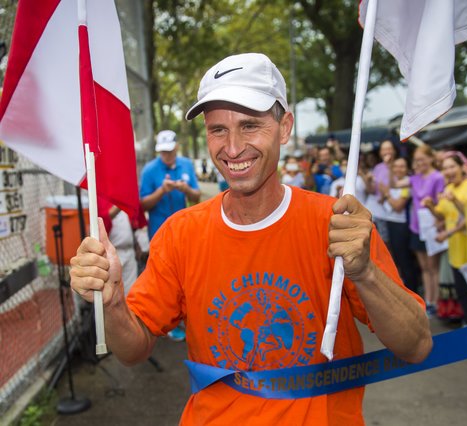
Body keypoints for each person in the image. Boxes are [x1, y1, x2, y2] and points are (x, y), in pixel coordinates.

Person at [70, 52, 431, 425]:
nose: (232, 148)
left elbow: (417, 346)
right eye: (218, 129)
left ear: (285, 126)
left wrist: (366, 273)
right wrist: (111, 302)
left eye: (250, 125)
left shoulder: (338, 225)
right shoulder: (181, 234)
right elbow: (133, 348)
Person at [139, 129, 202, 341]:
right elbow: (143, 203)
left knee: (188, 275)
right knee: (165, 280)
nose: (167, 156)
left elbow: (196, 195)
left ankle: (189, 318)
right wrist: (161, 191)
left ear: (176, 147)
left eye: (170, 151)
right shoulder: (150, 170)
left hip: (186, 231)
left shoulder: (186, 164)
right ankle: (168, 322)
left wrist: (184, 189)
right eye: (163, 152)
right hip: (159, 231)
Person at [423, 152, 467, 326]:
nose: (448, 171)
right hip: (455, 251)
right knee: (462, 293)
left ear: (462, 167)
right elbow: (441, 215)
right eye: (445, 168)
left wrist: (448, 233)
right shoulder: (448, 189)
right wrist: (431, 206)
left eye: (452, 166)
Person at [409, 145, 446, 316]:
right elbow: (395, 182)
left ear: (431, 158)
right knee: (424, 267)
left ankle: (436, 301)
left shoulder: (438, 177)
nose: (419, 163)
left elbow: (440, 203)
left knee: (433, 267)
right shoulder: (415, 178)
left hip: (431, 225)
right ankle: (428, 300)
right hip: (416, 226)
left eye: (422, 159)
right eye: (416, 160)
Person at [378, 157, 421, 293]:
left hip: (402, 226)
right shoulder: (395, 184)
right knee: (397, 260)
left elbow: (398, 206)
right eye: (396, 166)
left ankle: (412, 291)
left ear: (407, 169)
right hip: (391, 223)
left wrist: (386, 194)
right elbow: (382, 200)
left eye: (402, 166)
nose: (398, 169)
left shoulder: (407, 185)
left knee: (405, 261)